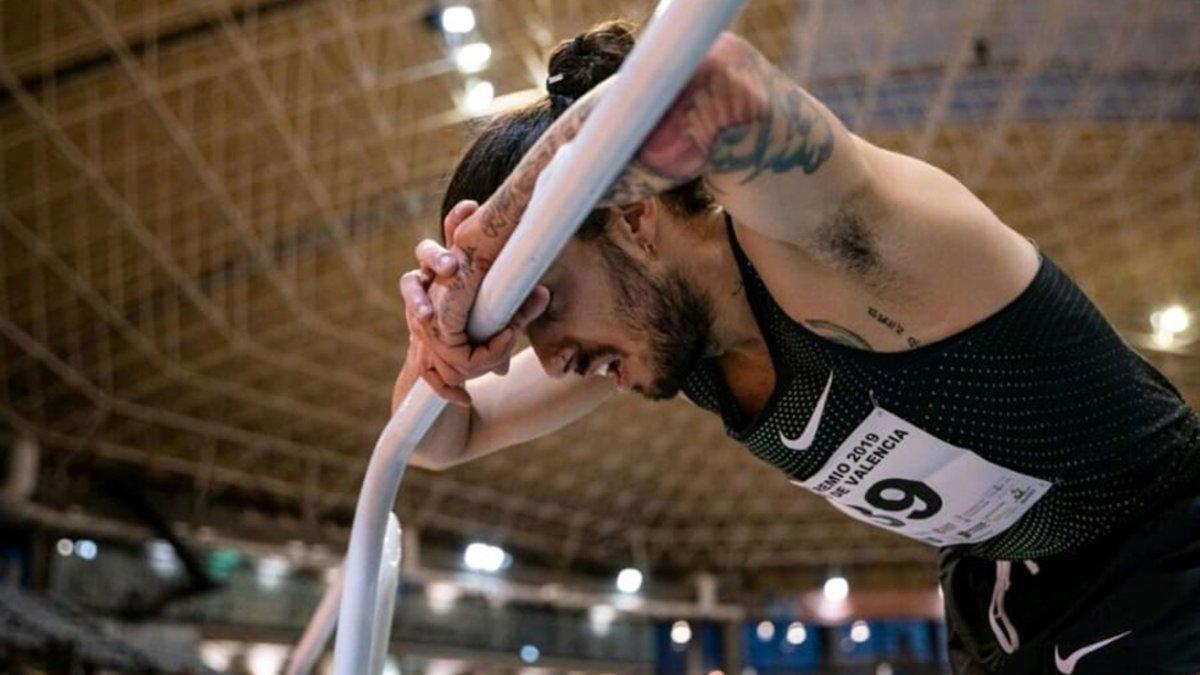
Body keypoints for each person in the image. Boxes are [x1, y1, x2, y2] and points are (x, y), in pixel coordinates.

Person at [393, 21, 1200, 675]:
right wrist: (443, 343)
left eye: (548, 299)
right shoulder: (680, 337)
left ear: (636, 220)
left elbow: (715, 79)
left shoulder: (841, 248)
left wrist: (498, 231)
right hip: (999, 590)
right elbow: (437, 440)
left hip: (1161, 556)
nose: (552, 354)